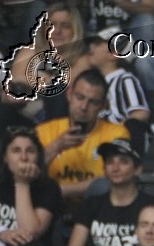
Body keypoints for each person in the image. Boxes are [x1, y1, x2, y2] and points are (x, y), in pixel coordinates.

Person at [37, 70, 129, 202]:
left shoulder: (117, 134)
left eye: (93, 102)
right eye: (80, 97)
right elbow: (28, 173)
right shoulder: (44, 131)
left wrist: (60, 191)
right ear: (69, 95)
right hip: (50, 207)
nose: (84, 107)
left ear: (103, 106)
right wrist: (56, 146)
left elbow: (113, 180)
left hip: (96, 207)